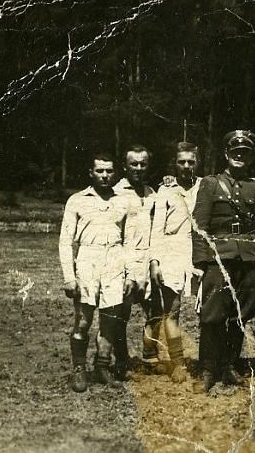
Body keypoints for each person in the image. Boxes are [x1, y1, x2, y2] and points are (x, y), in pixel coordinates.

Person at [191, 130, 255, 393]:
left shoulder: (254, 187)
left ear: (250, 157)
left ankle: (229, 365)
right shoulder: (210, 184)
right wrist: (201, 263)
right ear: (226, 154)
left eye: (244, 152)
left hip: (247, 259)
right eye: (235, 152)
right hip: (218, 259)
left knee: (241, 313)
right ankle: (207, 368)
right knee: (213, 315)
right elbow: (199, 226)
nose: (239, 156)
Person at [59, 152, 129, 391]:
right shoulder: (77, 200)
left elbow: (130, 240)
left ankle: (102, 367)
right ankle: (79, 369)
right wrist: (69, 277)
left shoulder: (122, 200)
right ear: (91, 173)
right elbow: (65, 242)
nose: (105, 175)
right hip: (87, 261)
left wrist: (128, 272)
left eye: (109, 171)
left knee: (110, 321)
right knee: (84, 320)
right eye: (100, 171)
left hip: (115, 261)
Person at [148, 141, 202, 383]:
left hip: (199, 251)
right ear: (175, 164)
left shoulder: (206, 186)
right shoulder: (165, 191)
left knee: (207, 309)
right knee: (173, 310)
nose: (187, 166)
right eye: (182, 162)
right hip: (171, 250)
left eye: (191, 162)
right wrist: (155, 261)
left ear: (197, 163)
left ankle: (210, 360)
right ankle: (178, 363)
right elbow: (157, 229)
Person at [113, 145, 157, 378]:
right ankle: (121, 361)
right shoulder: (116, 192)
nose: (138, 168)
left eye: (143, 164)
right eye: (134, 164)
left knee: (155, 310)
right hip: (125, 260)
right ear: (125, 166)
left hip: (148, 259)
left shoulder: (152, 193)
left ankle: (149, 356)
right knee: (121, 313)